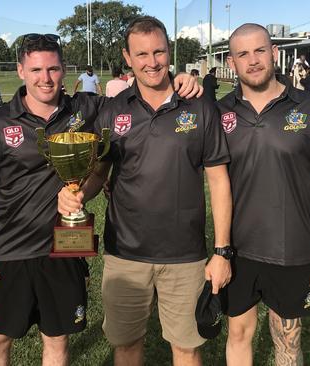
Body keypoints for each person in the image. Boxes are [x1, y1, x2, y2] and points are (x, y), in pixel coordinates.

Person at [0, 32, 203, 366]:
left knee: (58, 342)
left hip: (64, 250)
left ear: (64, 71)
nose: (45, 78)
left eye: (53, 69)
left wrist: (181, 81)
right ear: (20, 71)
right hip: (8, 251)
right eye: (35, 70)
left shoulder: (88, 109)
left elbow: (142, 99)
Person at [58, 16, 232, 366]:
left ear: (170, 51)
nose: (152, 62)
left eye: (159, 52)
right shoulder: (113, 110)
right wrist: (77, 192)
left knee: (186, 348)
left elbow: (218, 181)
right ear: (127, 57)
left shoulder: (199, 106)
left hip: (185, 255)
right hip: (125, 253)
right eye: (142, 54)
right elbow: (101, 171)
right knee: (126, 346)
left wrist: (222, 251)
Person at [216, 23, 310, 366]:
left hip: (291, 249)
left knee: (287, 342)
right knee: (239, 334)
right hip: (236, 250)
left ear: (274, 53)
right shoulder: (220, 112)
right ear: (232, 62)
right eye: (243, 54)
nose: (253, 60)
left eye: (260, 50)